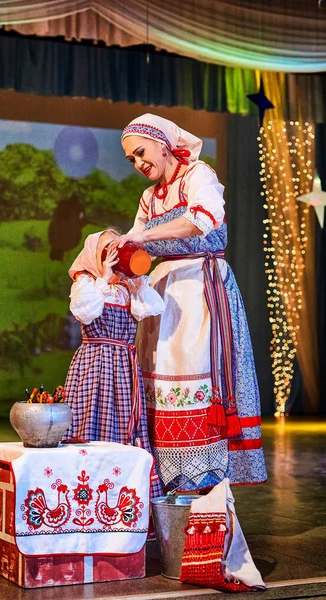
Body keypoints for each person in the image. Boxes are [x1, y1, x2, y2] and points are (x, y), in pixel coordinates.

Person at [112, 113, 267, 493]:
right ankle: (169, 490)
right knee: (159, 376)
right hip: (164, 292)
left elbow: (202, 220)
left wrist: (143, 237)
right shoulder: (149, 198)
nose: (138, 163)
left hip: (201, 286)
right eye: (131, 159)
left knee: (197, 369)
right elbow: (132, 241)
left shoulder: (200, 175)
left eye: (141, 152)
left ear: (164, 144)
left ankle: (206, 489)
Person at [63, 229, 164, 497]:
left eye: (117, 246)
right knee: (88, 421)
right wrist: (104, 278)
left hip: (123, 366)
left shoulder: (127, 288)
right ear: (94, 254)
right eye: (106, 248)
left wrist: (137, 277)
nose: (113, 253)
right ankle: (84, 494)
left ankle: (121, 496)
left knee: (123, 425)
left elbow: (152, 308)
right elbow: (85, 312)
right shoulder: (86, 283)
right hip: (94, 364)